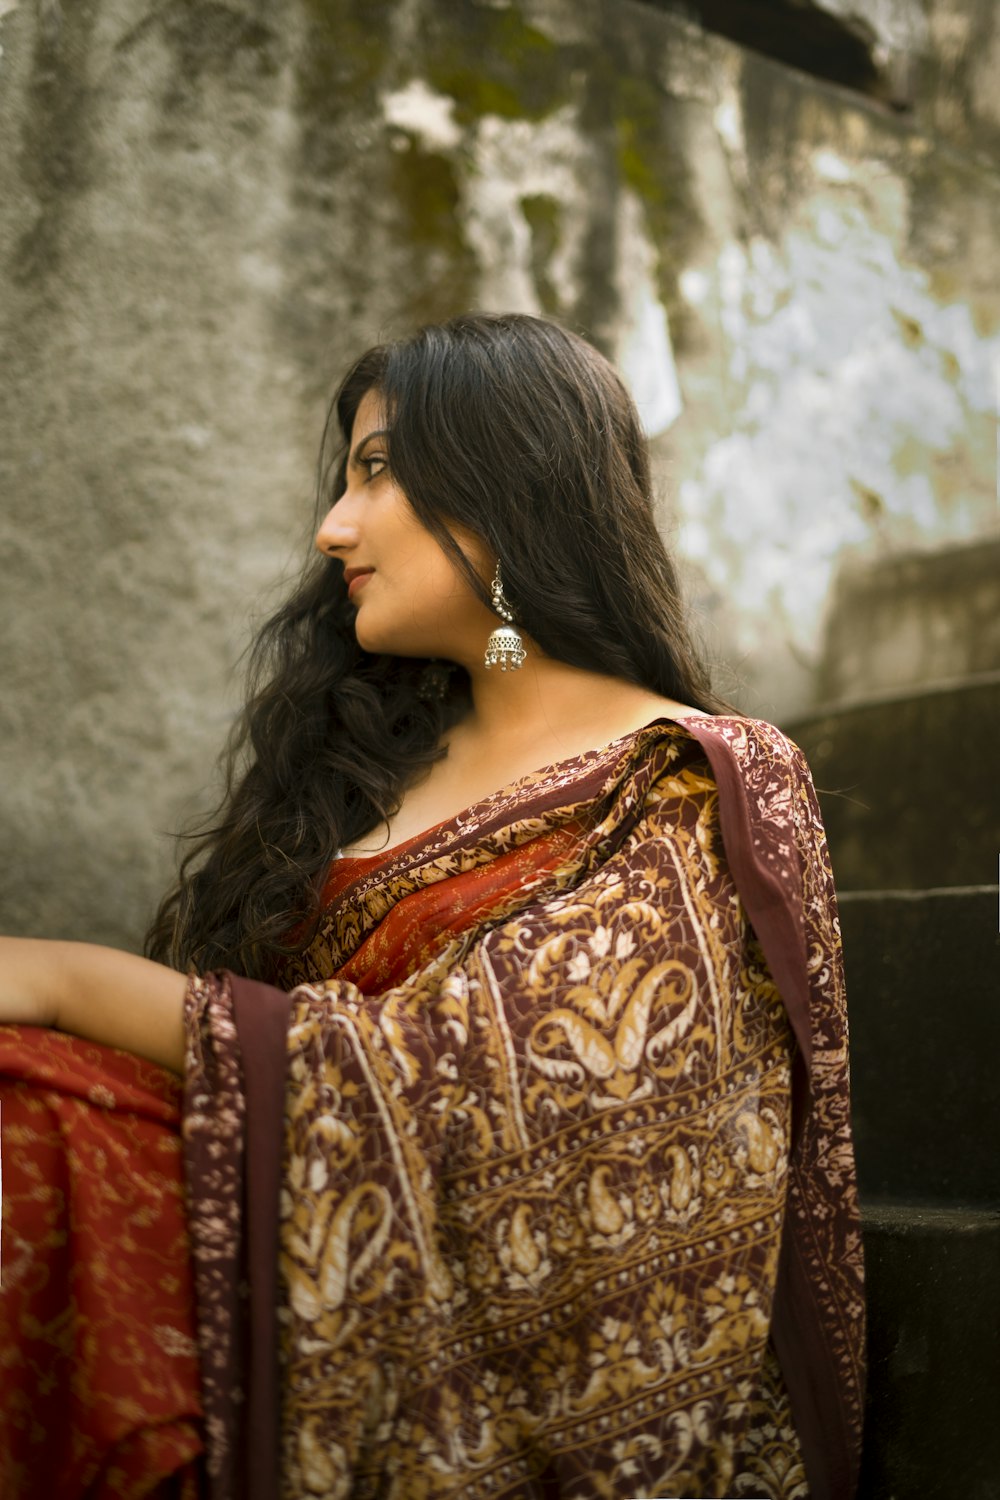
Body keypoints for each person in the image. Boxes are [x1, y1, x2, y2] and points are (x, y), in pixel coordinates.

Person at [0, 313, 865, 1500]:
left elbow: (492, 1087)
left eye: (375, 469)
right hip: (253, 1250)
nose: (331, 527)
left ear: (504, 483)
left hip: (454, 1365)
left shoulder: (690, 781)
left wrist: (64, 981)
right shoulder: (366, 767)